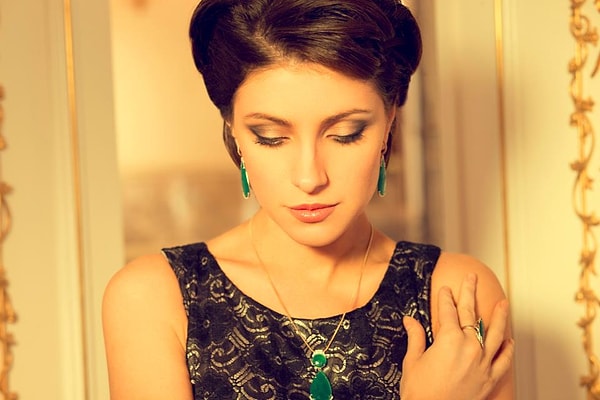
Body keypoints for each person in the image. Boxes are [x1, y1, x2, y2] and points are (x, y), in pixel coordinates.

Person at [102, 0, 515, 399]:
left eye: (346, 134)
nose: (310, 177)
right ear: (234, 130)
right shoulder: (155, 298)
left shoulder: (456, 293)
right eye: (271, 137)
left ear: (390, 120)